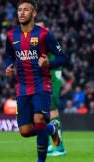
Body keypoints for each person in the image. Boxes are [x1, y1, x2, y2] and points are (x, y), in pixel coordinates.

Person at [5, 0, 66, 162]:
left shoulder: (45, 35)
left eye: (26, 9)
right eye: (19, 10)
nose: (22, 13)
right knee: (25, 131)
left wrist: (48, 63)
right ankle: (52, 129)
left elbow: (62, 58)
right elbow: (9, 55)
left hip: (41, 84)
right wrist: (9, 66)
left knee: (39, 120)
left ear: (34, 13)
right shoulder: (11, 35)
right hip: (22, 87)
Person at [36, 18, 66, 156]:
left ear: (47, 29)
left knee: (52, 110)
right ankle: (48, 144)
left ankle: (59, 147)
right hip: (44, 77)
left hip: (53, 76)